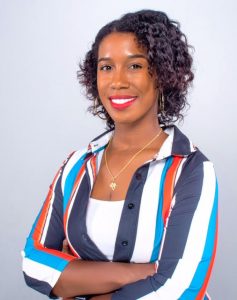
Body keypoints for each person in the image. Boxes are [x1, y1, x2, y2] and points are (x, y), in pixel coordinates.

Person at [21, 9, 218, 300]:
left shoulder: (190, 169)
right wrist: (144, 272)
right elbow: (33, 263)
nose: (117, 81)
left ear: (162, 74)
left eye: (135, 66)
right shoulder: (76, 166)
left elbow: (180, 289)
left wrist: (80, 280)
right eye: (106, 67)